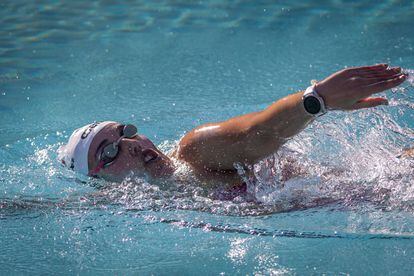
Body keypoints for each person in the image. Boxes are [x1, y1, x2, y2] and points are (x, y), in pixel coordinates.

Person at [58, 64, 408, 190]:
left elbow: (256, 133)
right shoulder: (153, 199)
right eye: (110, 151)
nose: (131, 144)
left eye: (125, 132)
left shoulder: (194, 152)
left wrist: (318, 99)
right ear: (100, 182)